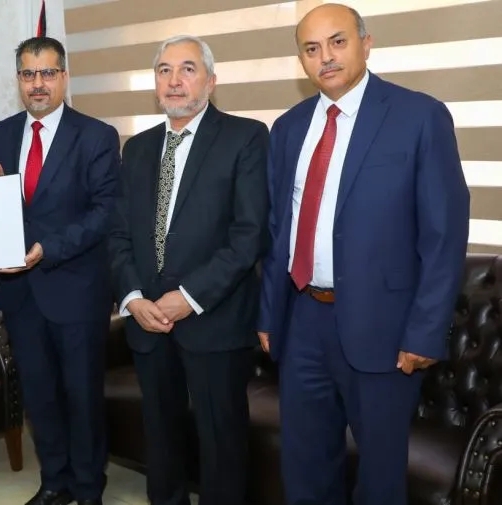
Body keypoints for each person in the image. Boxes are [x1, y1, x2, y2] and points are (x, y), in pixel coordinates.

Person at [257, 4, 470, 505]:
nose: (325, 57)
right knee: (305, 467)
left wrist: (424, 331)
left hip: (385, 327)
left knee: (379, 479)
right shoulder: (288, 128)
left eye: (338, 42)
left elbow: (443, 235)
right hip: (302, 320)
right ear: (301, 60)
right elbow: (279, 230)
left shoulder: (419, 116)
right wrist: (269, 314)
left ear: (366, 43)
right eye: (311, 48)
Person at [108, 34, 269, 505]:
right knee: (161, 442)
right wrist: (132, 298)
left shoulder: (245, 138)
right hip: (147, 323)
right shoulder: (137, 148)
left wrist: (189, 298)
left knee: (222, 446)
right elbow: (118, 234)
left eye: (187, 69)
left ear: (211, 81)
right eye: (164, 70)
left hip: (213, 321)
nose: (174, 80)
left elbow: (249, 235)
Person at [0, 36, 119, 505]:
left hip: (76, 289)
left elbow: (105, 212)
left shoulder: (96, 135)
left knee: (82, 396)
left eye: (47, 73)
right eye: (27, 74)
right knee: (39, 396)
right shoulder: (0, 134)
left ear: (64, 76)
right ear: (18, 79)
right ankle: (55, 481)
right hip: (20, 293)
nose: (37, 84)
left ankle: (89, 486)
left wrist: (47, 249)